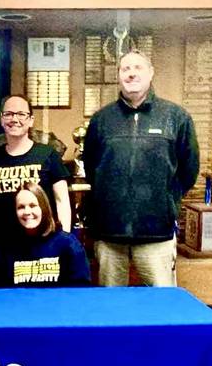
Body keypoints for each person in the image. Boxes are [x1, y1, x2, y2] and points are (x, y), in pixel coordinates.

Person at [83, 49, 200, 286]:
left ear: (151, 73)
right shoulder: (101, 120)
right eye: (126, 69)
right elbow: (91, 167)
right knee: (110, 308)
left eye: (138, 68)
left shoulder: (176, 117)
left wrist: (167, 200)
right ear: (118, 76)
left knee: (161, 307)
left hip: (157, 235)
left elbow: (189, 169)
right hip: (109, 235)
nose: (131, 74)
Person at [0, 94, 72, 281]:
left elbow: (62, 202)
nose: (14, 119)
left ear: (30, 120)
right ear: (1, 119)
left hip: (41, 249)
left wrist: (65, 240)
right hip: (0, 250)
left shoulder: (48, 155)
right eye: (9, 114)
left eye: (21, 114)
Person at [0, 182, 90, 287]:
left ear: (43, 207)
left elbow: (81, 290)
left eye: (33, 206)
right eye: (21, 207)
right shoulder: (4, 249)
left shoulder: (68, 244)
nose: (27, 211)